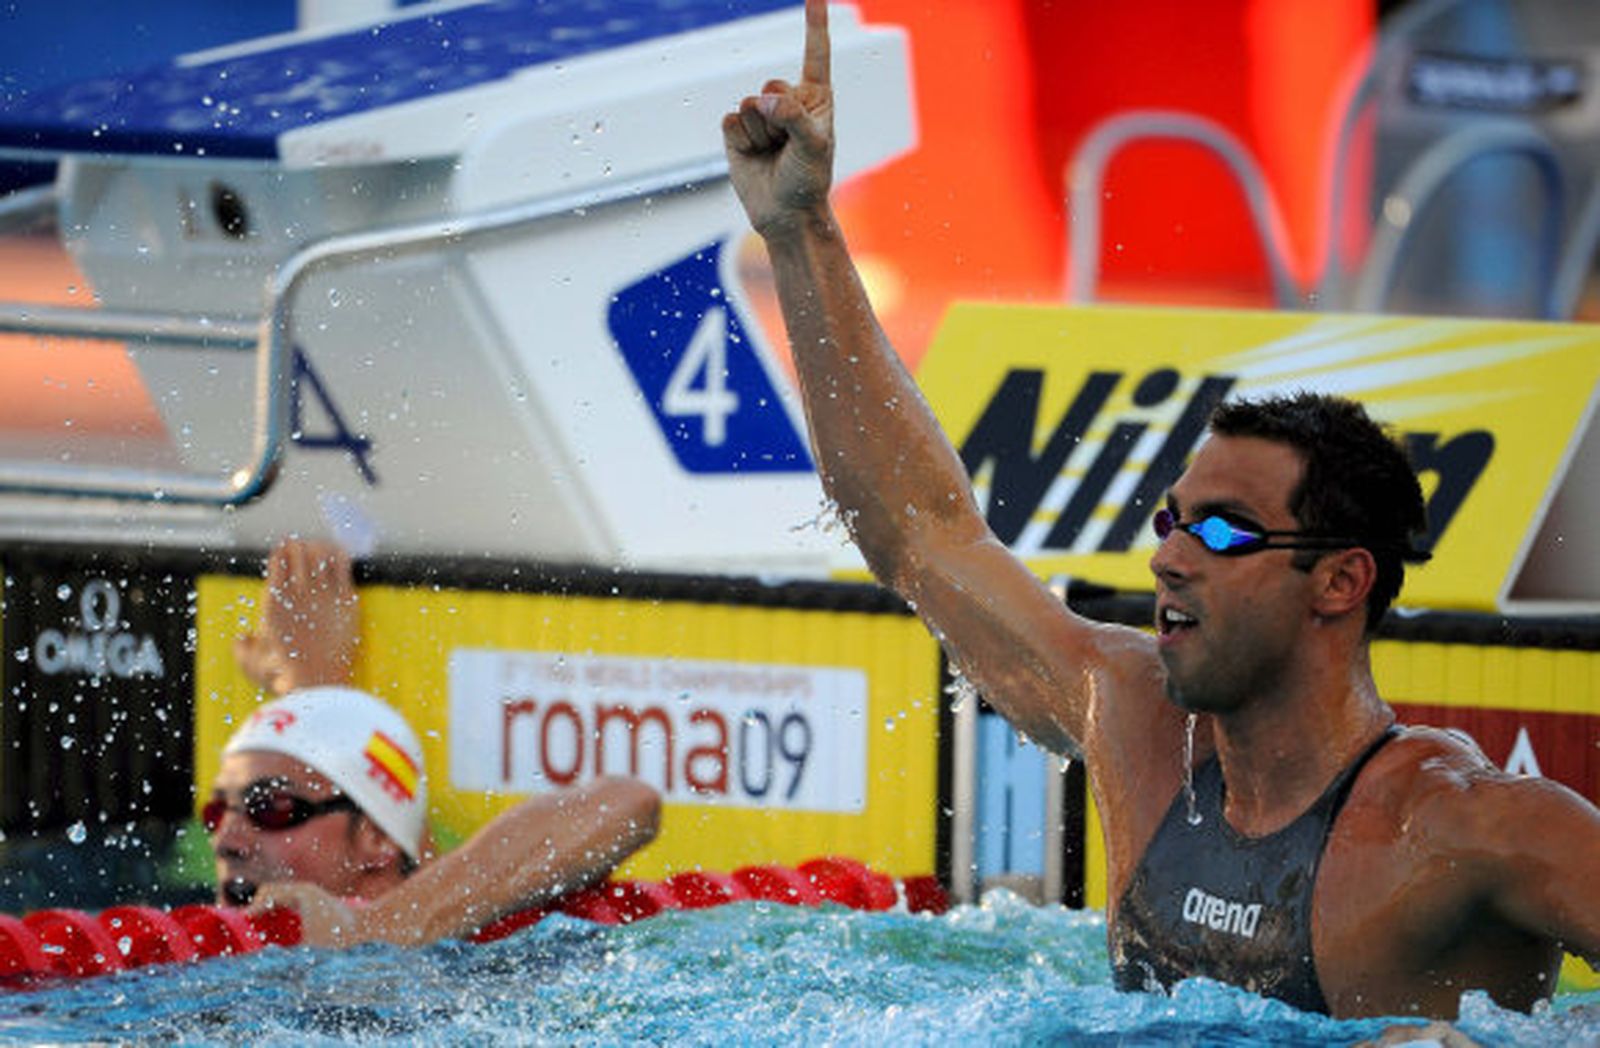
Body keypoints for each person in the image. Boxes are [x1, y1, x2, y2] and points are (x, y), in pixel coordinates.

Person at [721, 0, 1600, 1019]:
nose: (1170, 559)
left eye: (1221, 531)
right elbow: (921, 534)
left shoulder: (1466, 830)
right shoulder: (1130, 718)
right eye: (1170, 523)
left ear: (1340, 581)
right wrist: (799, 229)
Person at [213, 540, 661, 947]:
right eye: (216, 813)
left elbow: (624, 803)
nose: (226, 840)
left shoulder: (480, 949)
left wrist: (371, 933)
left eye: (270, 807)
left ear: (375, 838)